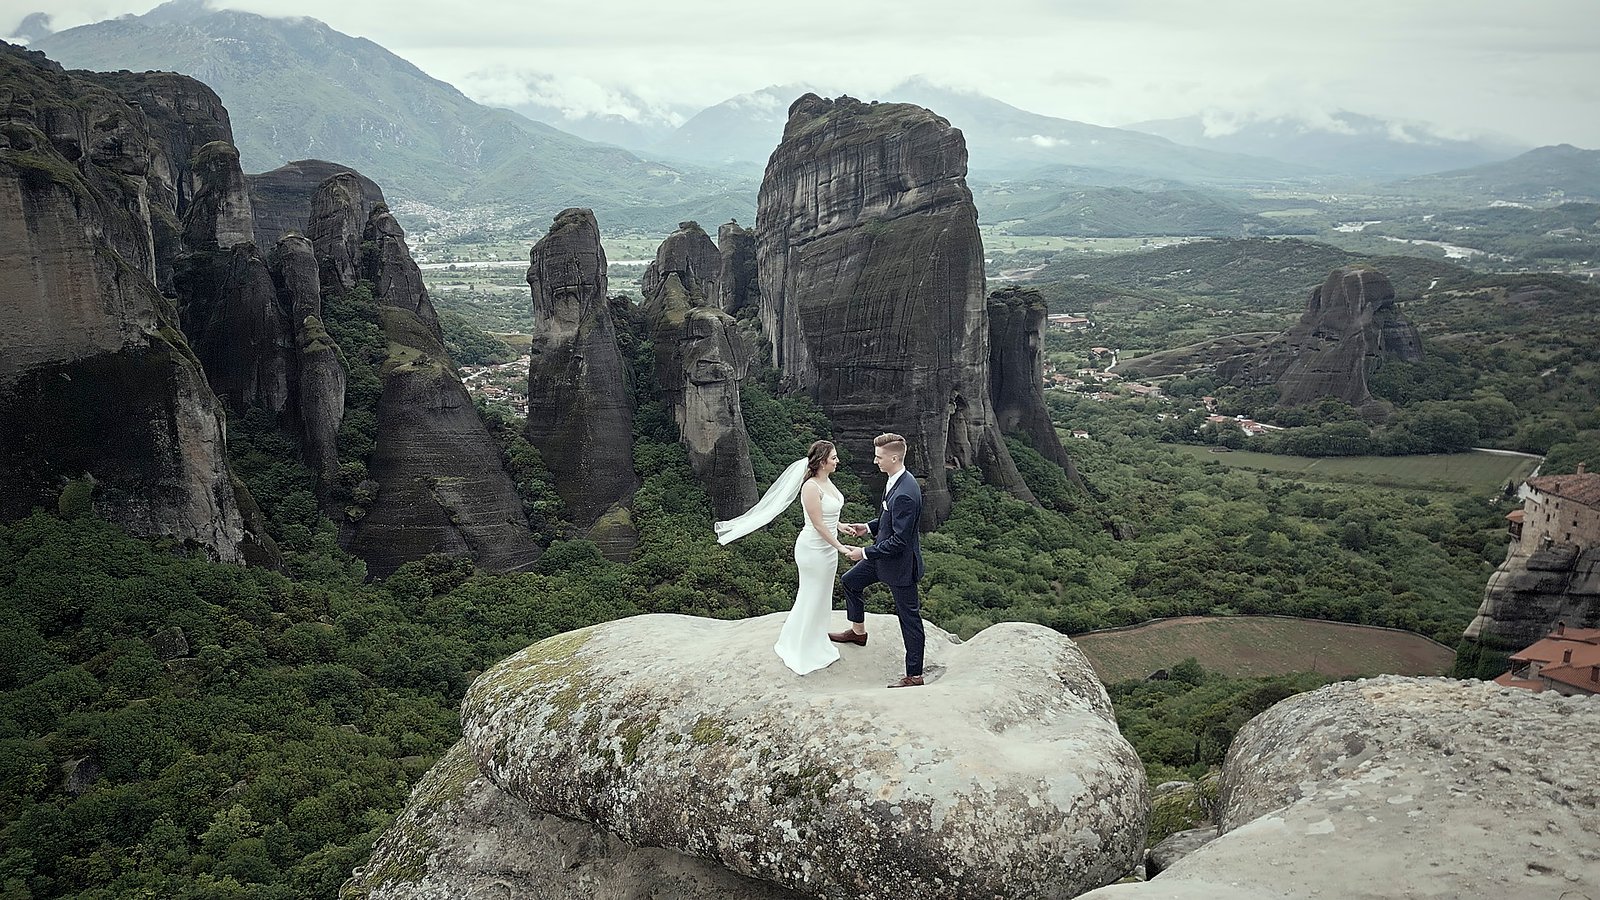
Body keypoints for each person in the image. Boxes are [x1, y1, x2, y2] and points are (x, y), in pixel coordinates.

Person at [714, 440, 856, 675]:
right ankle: (800, 647)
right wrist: (841, 547)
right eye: (833, 457)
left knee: (821, 597)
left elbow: (827, 517)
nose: (837, 461)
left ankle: (815, 641)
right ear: (822, 462)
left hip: (827, 548)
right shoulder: (810, 486)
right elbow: (817, 524)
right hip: (813, 550)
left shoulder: (826, 481)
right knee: (810, 595)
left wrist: (840, 526)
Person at [831, 433, 927, 688]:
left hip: (899, 564)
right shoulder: (895, 480)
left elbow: (900, 542)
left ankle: (914, 675)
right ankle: (858, 633)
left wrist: (863, 552)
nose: (875, 462)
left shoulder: (906, 491)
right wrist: (868, 527)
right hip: (882, 553)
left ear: (894, 457)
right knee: (850, 581)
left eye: (879, 457)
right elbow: (889, 521)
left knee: (909, 618)